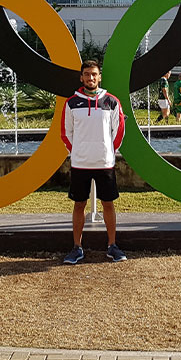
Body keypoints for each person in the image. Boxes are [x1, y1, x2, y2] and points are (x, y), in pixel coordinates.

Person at [61, 60, 127, 264]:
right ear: (81, 77)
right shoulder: (71, 102)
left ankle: (112, 246)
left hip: (104, 163)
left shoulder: (111, 101)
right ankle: (77, 248)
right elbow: (65, 133)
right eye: (87, 74)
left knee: (108, 203)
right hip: (80, 163)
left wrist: (108, 151)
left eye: (94, 74)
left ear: (100, 77)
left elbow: (119, 131)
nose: (91, 78)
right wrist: (79, 151)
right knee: (79, 204)